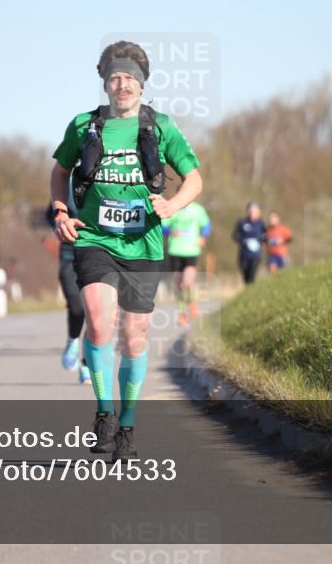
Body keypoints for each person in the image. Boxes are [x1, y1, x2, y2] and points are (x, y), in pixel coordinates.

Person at [50, 40, 202, 462]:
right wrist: (61, 210)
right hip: (95, 238)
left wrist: (172, 204)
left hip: (144, 244)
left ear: (141, 84)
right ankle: (104, 413)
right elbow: (60, 170)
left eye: (130, 78)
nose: (122, 85)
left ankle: (129, 424)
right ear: (105, 83)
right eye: (115, 77)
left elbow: (193, 179)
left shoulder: (160, 127)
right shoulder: (84, 126)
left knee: (134, 336)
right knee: (99, 324)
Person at [47, 189, 90, 385]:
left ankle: (87, 365)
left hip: (99, 255)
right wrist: (60, 224)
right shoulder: (69, 182)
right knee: (77, 307)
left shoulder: (111, 177)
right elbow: (51, 213)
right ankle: (73, 339)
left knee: (97, 315)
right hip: (69, 255)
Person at [162, 199, 211, 326]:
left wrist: (203, 236)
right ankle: (182, 314)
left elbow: (207, 225)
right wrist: (170, 232)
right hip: (175, 251)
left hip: (191, 251)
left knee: (187, 282)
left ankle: (192, 303)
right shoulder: (172, 208)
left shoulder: (198, 209)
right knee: (179, 285)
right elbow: (162, 226)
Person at [232, 202, 266, 285]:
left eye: (255, 211)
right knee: (245, 274)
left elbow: (265, 236)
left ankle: (250, 289)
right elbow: (235, 235)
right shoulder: (242, 222)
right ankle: (247, 288)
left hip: (255, 255)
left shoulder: (261, 223)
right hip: (244, 254)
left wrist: (260, 240)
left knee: (252, 275)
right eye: (251, 211)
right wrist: (244, 241)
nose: (253, 213)